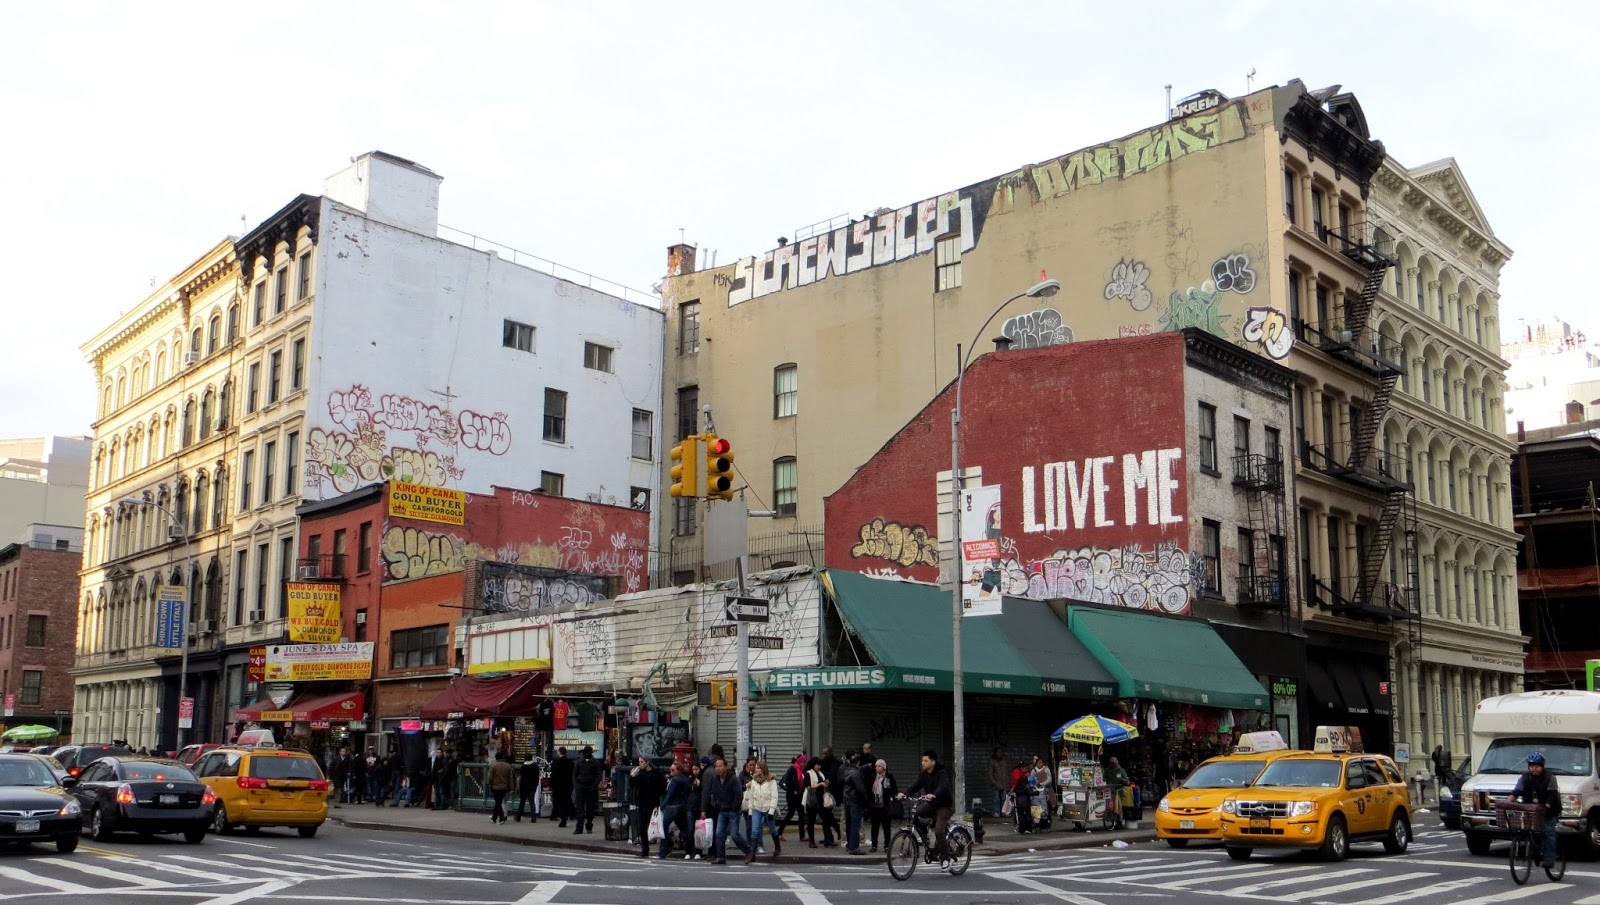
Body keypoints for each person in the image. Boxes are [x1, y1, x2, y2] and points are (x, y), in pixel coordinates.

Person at [900, 750, 954, 869]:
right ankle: (925, 837)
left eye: (926, 760)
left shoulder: (941, 773)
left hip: (944, 806)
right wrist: (904, 793)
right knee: (917, 813)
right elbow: (916, 785)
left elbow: (943, 787)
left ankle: (946, 858)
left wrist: (934, 794)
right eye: (922, 760)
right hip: (932, 804)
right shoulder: (924, 774)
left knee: (939, 831)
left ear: (933, 761)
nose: (923, 763)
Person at [1510, 752, 1561, 869]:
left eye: (1537, 766)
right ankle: (1536, 853)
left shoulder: (1550, 777)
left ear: (1542, 766)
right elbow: (1516, 792)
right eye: (1532, 766)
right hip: (1531, 810)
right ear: (1528, 767)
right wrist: (1508, 802)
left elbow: (1552, 795)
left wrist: (1546, 806)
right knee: (1532, 833)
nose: (1534, 768)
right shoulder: (1524, 778)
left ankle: (1549, 858)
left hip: (1549, 811)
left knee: (1548, 832)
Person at [700, 756, 751, 864]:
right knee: (719, 834)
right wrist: (717, 804)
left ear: (725, 767)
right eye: (716, 766)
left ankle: (748, 851)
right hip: (722, 810)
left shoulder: (733, 779)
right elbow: (713, 793)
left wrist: (734, 807)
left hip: (733, 811)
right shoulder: (716, 779)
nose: (718, 768)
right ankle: (721, 856)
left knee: (734, 834)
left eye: (720, 766)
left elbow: (738, 795)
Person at [743, 759, 781, 861]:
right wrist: (751, 810)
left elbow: (774, 796)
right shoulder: (754, 780)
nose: (756, 770)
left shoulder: (771, 781)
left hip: (768, 808)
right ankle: (752, 854)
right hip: (757, 808)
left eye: (758, 768)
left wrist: (772, 811)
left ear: (763, 769)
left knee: (772, 829)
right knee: (754, 830)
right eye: (756, 768)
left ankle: (777, 847)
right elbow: (751, 796)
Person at [659, 761, 695, 860]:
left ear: (678, 770)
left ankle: (663, 851)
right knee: (684, 828)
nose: (671, 771)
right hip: (682, 806)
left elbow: (670, 795)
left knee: (664, 826)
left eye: (673, 770)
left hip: (673, 806)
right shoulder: (685, 779)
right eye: (670, 769)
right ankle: (690, 849)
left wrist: (662, 806)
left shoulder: (674, 780)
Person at [630, 755, 663, 858]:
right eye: (639, 762)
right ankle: (645, 850)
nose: (640, 764)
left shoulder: (656, 773)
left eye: (642, 762)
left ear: (648, 762)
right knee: (642, 827)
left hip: (653, 802)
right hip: (642, 802)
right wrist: (632, 776)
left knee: (653, 826)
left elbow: (662, 787)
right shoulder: (640, 773)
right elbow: (633, 785)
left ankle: (662, 848)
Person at [839, 751, 870, 855]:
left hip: (847, 799)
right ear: (858, 762)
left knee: (848, 823)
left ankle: (849, 845)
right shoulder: (856, 773)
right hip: (855, 801)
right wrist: (867, 800)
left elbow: (858, 769)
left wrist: (867, 766)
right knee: (855, 824)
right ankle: (854, 847)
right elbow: (860, 788)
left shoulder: (847, 771)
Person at [777, 751, 809, 845]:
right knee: (790, 814)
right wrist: (793, 791)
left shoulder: (802, 770)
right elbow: (788, 782)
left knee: (801, 816)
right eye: (803, 761)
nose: (804, 763)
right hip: (792, 796)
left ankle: (802, 836)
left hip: (799, 797)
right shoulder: (792, 769)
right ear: (799, 761)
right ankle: (779, 833)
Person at [867, 758, 897, 853]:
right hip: (874, 806)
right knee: (874, 827)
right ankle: (874, 845)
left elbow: (894, 789)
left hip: (885, 806)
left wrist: (892, 796)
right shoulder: (872, 777)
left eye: (879, 766)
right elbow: (868, 790)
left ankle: (887, 845)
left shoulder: (889, 777)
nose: (877, 768)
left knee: (886, 827)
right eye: (876, 766)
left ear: (884, 767)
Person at [804, 756, 835, 848]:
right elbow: (808, 787)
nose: (819, 767)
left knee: (825, 820)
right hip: (813, 799)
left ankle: (828, 839)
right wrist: (819, 784)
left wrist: (825, 783)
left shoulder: (821, 774)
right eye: (817, 765)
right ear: (813, 765)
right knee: (811, 821)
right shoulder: (808, 774)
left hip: (821, 799)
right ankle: (812, 841)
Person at [572, 746, 602, 834]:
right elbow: (574, 775)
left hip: (590, 789)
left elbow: (598, 775)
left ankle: (589, 825)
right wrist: (576, 785)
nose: (585, 754)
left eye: (586, 752)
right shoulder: (579, 762)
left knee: (590, 809)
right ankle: (579, 827)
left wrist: (593, 785)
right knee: (579, 809)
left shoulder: (595, 763)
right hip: (580, 788)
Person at [487, 751, 514, 824]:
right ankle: (494, 817)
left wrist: (490, 784)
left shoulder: (493, 766)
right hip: (504, 787)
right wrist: (511, 788)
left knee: (498, 802)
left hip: (495, 787)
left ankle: (501, 818)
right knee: (499, 801)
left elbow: (490, 778)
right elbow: (511, 778)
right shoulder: (508, 766)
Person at [550, 747, 574, 827]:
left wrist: (551, 784)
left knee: (557, 802)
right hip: (567, 785)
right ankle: (568, 815)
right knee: (566, 801)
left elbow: (554, 775)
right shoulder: (570, 762)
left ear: (559, 752)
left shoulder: (556, 762)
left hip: (558, 786)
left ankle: (563, 816)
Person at [514, 755, 541, 823]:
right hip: (532, 786)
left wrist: (520, 786)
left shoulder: (523, 766)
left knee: (522, 802)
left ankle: (518, 817)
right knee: (532, 802)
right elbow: (537, 777)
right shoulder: (535, 766)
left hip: (524, 786)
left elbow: (522, 778)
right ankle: (533, 817)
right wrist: (535, 784)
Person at [988, 747, 1008, 816]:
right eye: (998, 752)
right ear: (995, 753)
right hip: (996, 784)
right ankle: (996, 812)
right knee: (996, 799)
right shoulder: (992, 762)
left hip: (1003, 783)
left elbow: (1005, 771)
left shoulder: (1003, 761)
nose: (1000, 754)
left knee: (1004, 799)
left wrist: (1006, 779)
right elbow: (990, 774)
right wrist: (995, 783)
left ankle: (1003, 812)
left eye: (1001, 752)